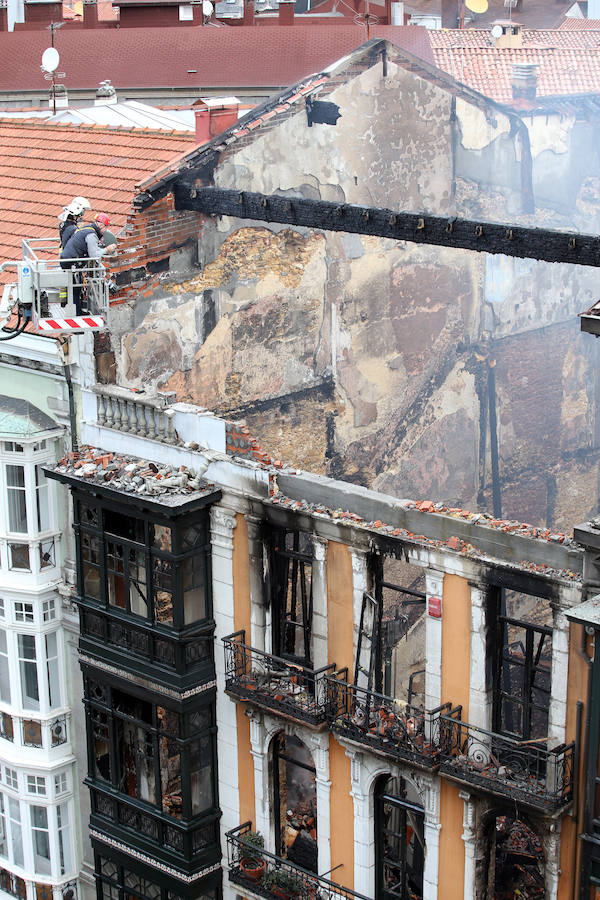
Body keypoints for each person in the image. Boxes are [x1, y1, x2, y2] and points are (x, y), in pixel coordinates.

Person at [60, 214, 117, 314]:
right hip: (71, 262)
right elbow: (94, 254)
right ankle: (77, 314)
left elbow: (92, 249)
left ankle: (78, 312)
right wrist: (107, 250)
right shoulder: (92, 235)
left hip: (69, 259)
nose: (106, 231)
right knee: (75, 289)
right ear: (101, 226)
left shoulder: (88, 229)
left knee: (76, 288)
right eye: (106, 227)